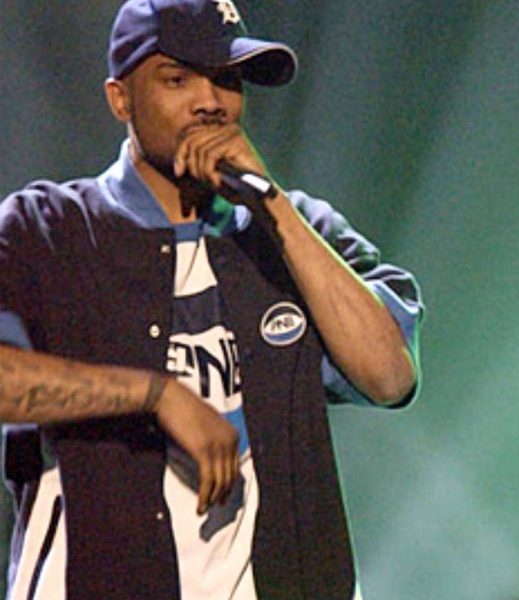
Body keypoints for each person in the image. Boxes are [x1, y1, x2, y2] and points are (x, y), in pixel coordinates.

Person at [0, 1, 422, 598]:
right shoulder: (48, 230)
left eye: (226, 79)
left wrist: (273, 206)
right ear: (120, 99)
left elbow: (390, 378)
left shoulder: (297, 231)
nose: (210, 102)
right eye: (178, 79)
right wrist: (153, 394)